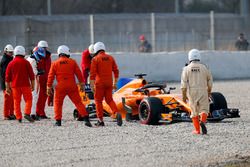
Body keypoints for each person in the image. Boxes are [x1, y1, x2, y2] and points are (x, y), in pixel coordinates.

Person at [46, 45, 92, 127]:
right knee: (78, 102)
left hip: (60, 87)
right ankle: (86, 119)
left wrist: (48, 86)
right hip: (72, 86)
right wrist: (82, 84)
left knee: (58, 103)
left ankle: (58, 121)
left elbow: (50, 76)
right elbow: (79, 74)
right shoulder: (72, 62)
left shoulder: (55, 63)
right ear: (67, 52)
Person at [90, 42, 122, 126]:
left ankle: (100, 120)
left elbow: (92, 74)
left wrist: (91, 85)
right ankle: (116, 112)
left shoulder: (95, 59)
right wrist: (115, 82)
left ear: (96, 49)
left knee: (98, 101)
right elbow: (116, 71)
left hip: (99, 83)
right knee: (109, 100)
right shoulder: (110, 58)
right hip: (109, 83)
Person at [181, 49, 213, 135]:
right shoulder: (205, 67)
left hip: (192, 92)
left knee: (194, 111)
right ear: (199, 57)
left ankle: (197, 130)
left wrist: (184, 97)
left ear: (189, 57)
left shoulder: (186, 69)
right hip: (203, 90)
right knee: (204, 110)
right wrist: (209, 92)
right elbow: (210, 82)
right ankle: (202, 121)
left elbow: (183, 85)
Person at [5, 46, 35, 123]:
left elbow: (7, 77)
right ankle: (27, 113)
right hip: (25, 85)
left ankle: (19, 117)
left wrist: (7, 87)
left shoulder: (11, 63)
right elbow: (31, 75)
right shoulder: (26, 62)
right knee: (28, 99)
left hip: (15, 86)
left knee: (16, 101)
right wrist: (33, 85)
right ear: (23, 53)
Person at [27, 47, 46, 120]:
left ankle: (32, 113)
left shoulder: (30, 59)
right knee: (34, 97)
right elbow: (34, 72)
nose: (41, 58)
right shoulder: (32, 60)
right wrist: (40, 72)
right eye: (40, 56)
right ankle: (32, 114)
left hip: (31, 79)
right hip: (33, 80)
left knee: (33, 97)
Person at [36, 40, 51, 119]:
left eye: (45, 48)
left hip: (46, 78)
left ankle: (41, 112)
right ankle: (38, 112)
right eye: (43, 48)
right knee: (39, 96)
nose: (44, 49)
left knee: (45, 95)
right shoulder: (35, 56)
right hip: (39, 79)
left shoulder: (48, 56)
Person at [0, 44, 15, 120]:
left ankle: (11, 113)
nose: (11, 53)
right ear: (5, 52)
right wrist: (7, 84)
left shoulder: (9, 59)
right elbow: (4, 74)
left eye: (12, 52)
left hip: (9, 82)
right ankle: (6, 115)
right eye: (10, 52)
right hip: (6, 83)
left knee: (12, 99)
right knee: (7, 99)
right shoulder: (5, 60)